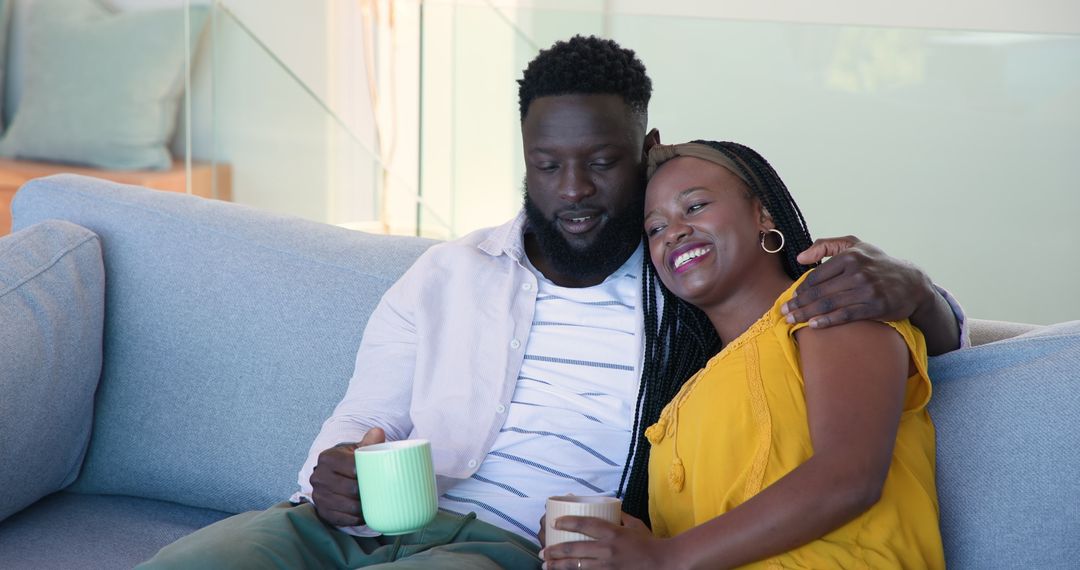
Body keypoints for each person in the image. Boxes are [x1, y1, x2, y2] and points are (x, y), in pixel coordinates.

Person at [139, 36, 963, 569]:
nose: (573, 192)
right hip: (330, 533)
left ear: (646, 151)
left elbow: (837, 321)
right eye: (547, 164)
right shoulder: (449, 274)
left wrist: (919, 289)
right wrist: (334, 475)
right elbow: (363, 419)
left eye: (603, 164)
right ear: (526, 159)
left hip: (498, 549)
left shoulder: (682, 286)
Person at [541, 140, 944, 569]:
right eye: (655, 229)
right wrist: (620, 546)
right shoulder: (678, 405)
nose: (673, 231)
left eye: (694, 207)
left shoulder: (832, 305)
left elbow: (848, 478)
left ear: (763, 213)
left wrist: (666, 557)